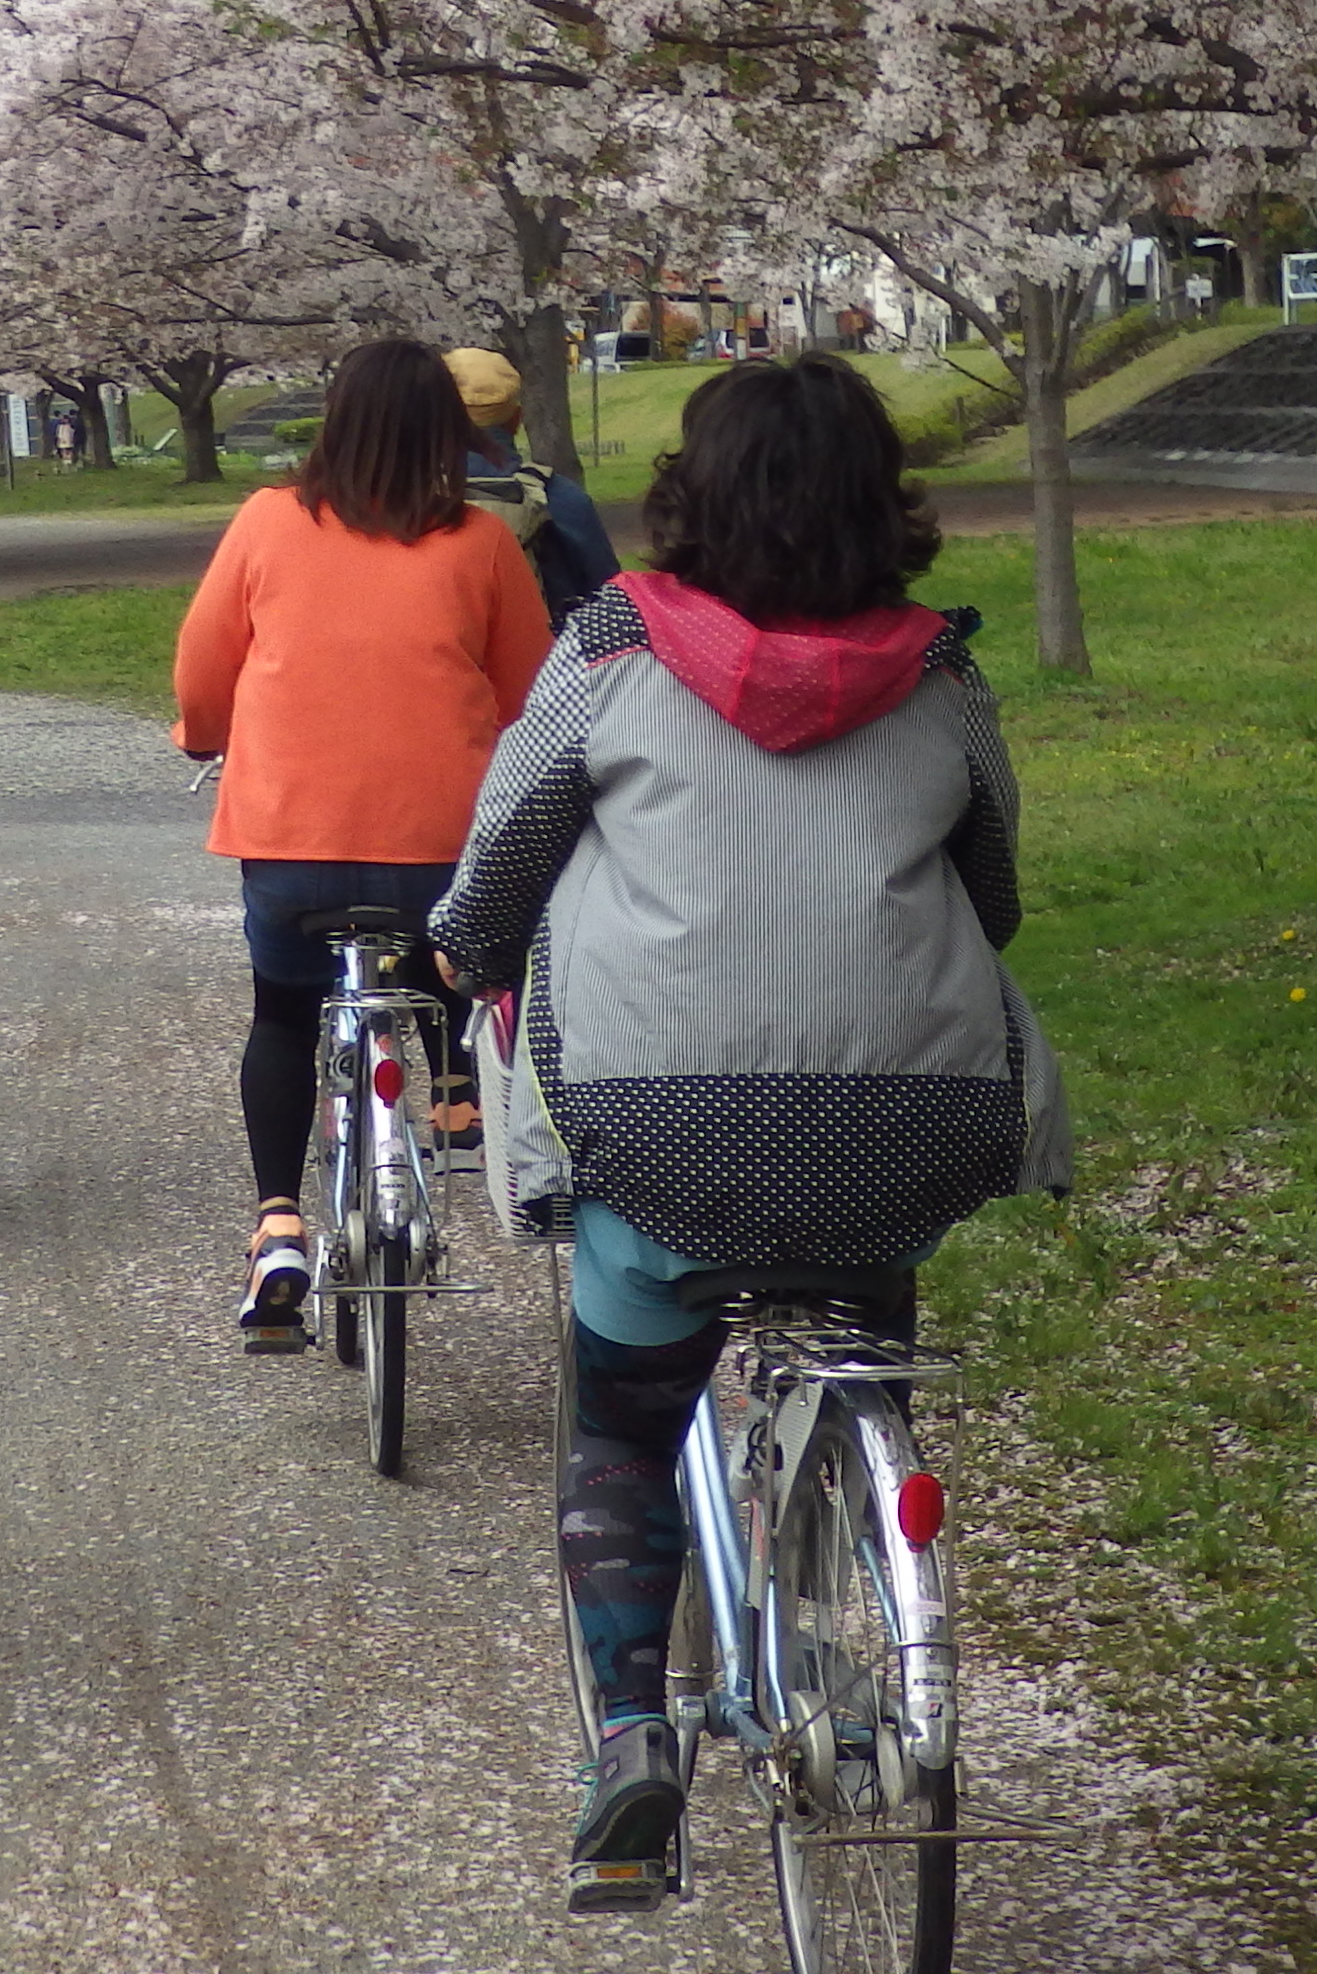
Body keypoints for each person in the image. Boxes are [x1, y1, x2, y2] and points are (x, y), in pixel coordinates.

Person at [428, 350, 1071, 1913]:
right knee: (864, 1314)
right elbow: (992, 900)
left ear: (690, 498)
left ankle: (634, 1735)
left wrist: (464, 946)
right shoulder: (945, 677)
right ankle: (872, 1534)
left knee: (624, 1426)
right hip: (900, 1135)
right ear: (883, 502)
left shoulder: (610, 649)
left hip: (661, 1137)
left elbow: (503, 861)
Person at [171, 334, 555, 1343]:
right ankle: (461, 1106)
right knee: (455, 977)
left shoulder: (264, 523)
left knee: (283, 1016)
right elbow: (536, 700)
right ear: (450, 436)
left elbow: (203, 671)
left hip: (291, 842)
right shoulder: (482, 544)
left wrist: (202, 734)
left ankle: (278, 1223)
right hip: (442, 851)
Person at [440, 344, 621, 622]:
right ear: (516, 419)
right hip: (543, 659)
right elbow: (609, 598)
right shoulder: (560, 498)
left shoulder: (403, 499)